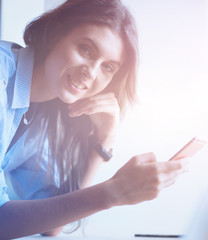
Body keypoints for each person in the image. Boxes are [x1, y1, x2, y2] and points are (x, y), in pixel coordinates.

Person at [0, 0, 189, 238]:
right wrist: (114, 193)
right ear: (55, 34)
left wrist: (104, 141)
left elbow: (52, 224)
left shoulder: (43, 110)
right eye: (86, 49)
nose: (91, 72)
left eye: (108, 67)